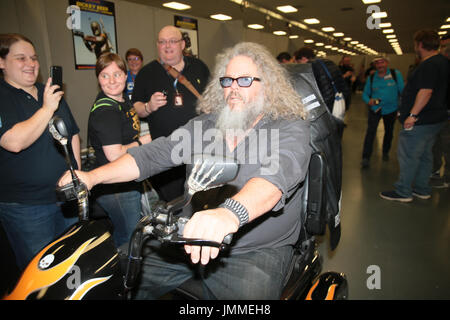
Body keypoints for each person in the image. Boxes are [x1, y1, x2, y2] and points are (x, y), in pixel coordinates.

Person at [58, 42, 311, 299]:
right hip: (189, 238)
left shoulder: (288, 128)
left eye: (244, 80)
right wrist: (92, 177)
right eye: (227, 81)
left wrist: (229, 214)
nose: (233, 88)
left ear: (267, 85)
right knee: (114, 276)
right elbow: (154, 155)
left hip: (253, 252)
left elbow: (272, 181)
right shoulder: (207, 126)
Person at [0, 33, 81, 270]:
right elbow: (13, 141)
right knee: (39, 271)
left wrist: (76, 173)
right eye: (21, 58)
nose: (31, 64)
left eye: (34, 58)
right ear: (2, 63)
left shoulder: (48, 92)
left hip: (65, 198)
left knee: (70, 264)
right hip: (26, 207)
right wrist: (47, 108)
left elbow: (72, 133)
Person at [132, 25, 210, 202]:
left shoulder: (199, 67)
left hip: (199, 150)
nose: (167, 46)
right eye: (162, 42)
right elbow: (135, 107)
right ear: (157, 45)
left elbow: (214, 97)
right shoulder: (147, 73)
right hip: (165, 154)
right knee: (173, 204)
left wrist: (210, 105)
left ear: (182, 44)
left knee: (202, 200)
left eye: (172, 41)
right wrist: (148, 106)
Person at [88, 52, 151, 247]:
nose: (112, 80)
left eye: (116, 74)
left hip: (125, 178)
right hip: (115, 187)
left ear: (125, 75)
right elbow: (114, 154)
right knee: (128, 238)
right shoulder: (106, 111)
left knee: (130, 232)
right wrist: (146, 140)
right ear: (98, 79)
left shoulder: (123, 100)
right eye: (105, 76)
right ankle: (121, 274)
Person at [380, 29, 449, 202]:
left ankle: (403, 191)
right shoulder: (444, 62)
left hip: (421, 120)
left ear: (420, 45)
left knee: (409, 155)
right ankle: (422, 188)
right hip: (436, 119)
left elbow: (426, 91)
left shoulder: (429, 65)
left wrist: (412, 114)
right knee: (425, 155)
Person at [361, 56, 404, 168]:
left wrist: (402, 108)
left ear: (387, 63)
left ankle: (385, 151)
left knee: (389, 132)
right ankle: (365, 157)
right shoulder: (371, 78)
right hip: (376, 109)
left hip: (391, 110)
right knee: (370, 132)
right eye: (377, 63)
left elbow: (403, 91)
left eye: (382, 62)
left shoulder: (395, 74)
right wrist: (368, 100)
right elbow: (365, 94)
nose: (380, 65)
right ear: (375, 65)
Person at [293, 47, 350, 116]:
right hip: (340, 100)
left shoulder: (310, 67)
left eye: (298, 62)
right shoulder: (329, 62)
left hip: (327, 105)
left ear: (303, 58)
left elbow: (319, 91)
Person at [430, 35, 450, 188]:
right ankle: (435, 173)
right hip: (438, 113)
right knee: (436, 144)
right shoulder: (440, 65)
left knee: (446, 145)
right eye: (442, 46)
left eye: (446, 46)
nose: (444, 50)